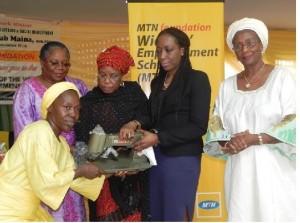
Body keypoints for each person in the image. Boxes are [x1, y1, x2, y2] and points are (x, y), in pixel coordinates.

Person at [203, 18, 296, 221]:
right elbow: (215, 125)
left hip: (274, 169)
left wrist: (254, 138)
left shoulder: (282, 76)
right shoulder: (227, 86)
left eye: (250, 43)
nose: (244, 49)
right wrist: (228, 142)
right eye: (238, 46)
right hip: (239, 171)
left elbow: (293, 120)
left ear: (261, 44)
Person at [132, 27, 211, 221]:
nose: (162, 56)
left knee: (176, 212)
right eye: (159, 51)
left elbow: (198, 126)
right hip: (157, 157)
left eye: (168, 50)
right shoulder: (158, 82)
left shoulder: (197, 79)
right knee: (158, 212)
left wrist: (158, 138)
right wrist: (134, 124)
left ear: (182, 50)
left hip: (182, 158)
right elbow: (153, 117)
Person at [0, 82, 105, 221]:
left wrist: (111, 171)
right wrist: (81, 171)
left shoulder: (61, 143)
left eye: (77, 109)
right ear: (50, 107)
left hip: (28, 211)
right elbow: (46, 181)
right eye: (67, 107)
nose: (73, 114)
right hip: (8, 211)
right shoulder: (39, 131)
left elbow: (73, 178)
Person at [12, 41, 89, 221]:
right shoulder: (27, 91)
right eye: (54, 63)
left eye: (65, 64)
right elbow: (24, 134)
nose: (60, 68)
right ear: (42, 62)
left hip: (74, 164)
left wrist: (82, 155)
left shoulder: (78, 86)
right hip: (43, 169)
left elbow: (87, 124)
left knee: (76, 212)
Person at [74, 45, 151, 221]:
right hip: (103, 174)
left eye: (113, 76)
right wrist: (105, 165)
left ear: (122, 75)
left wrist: (133, 124)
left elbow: (148, 116)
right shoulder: (88, 101)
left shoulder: (133, 92)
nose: (107, 81)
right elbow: (82, 139)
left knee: (135, 215)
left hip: (133, 171)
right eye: (102, 75)